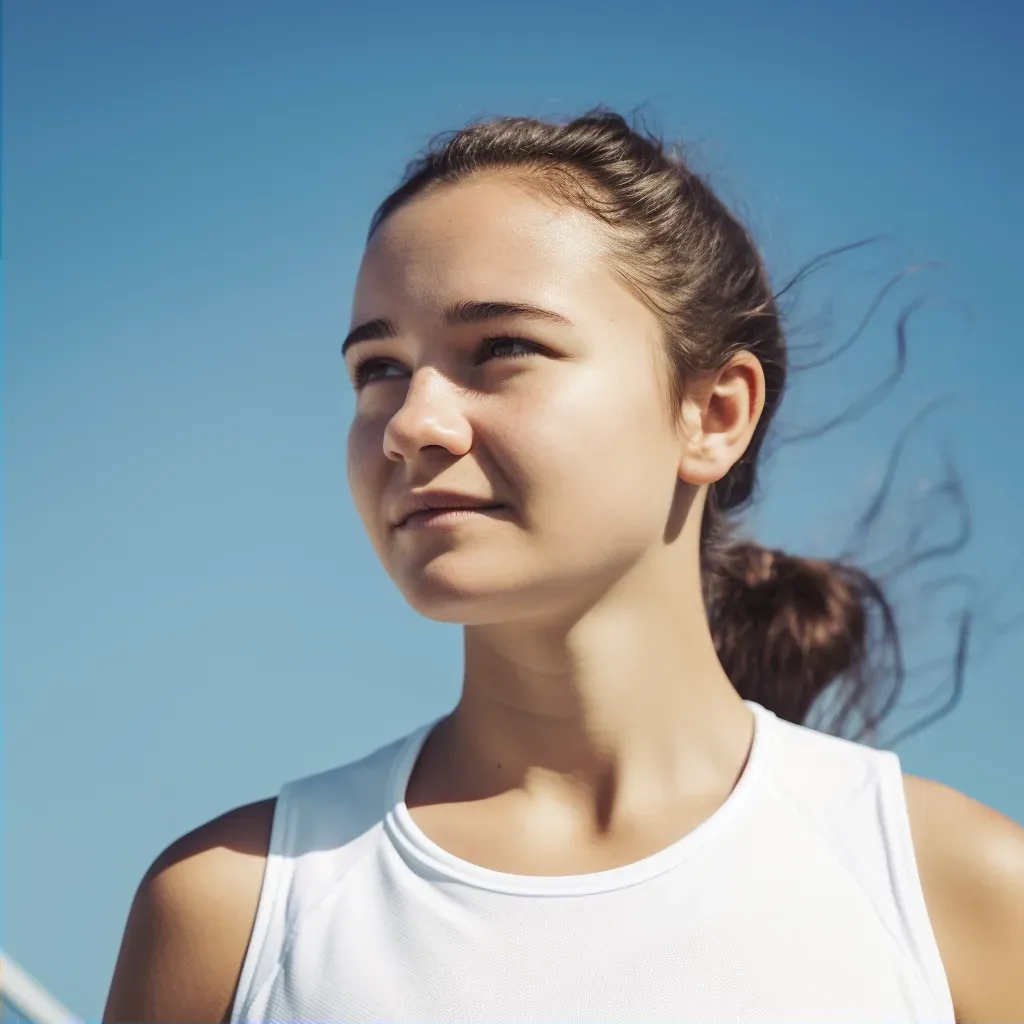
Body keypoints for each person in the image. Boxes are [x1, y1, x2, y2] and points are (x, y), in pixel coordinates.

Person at [103, 109, 1024, 1024]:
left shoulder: (957, 895)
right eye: (378, 368)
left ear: (714, 414)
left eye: (503, 348)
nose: (412, 424)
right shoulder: (232, 912)